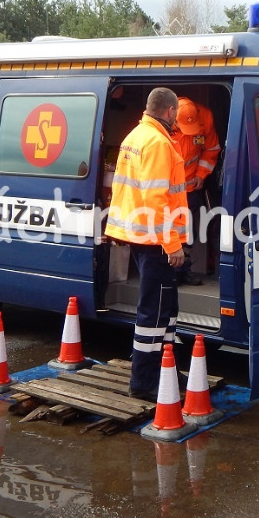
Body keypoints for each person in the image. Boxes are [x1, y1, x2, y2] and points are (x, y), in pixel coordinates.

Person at [105, 87, 188, 401]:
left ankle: (166, 370)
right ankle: (143, 381)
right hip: (156, 241)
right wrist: (172, 244)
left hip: (142, 236)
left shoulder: (135, 136)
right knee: (154, 313)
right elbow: (156, 200)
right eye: (176, 114)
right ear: (170, 111)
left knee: (166, 309)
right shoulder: (157, 142)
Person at [172, 96, 221, 286]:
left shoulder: (206, 117)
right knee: (165, 231)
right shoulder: (161, 123)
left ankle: (184, 270)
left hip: (190, 187)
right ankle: (169, 272)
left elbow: (212, 149)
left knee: (187, 231)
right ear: (173, 118)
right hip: (165, 191)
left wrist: (201, 174)